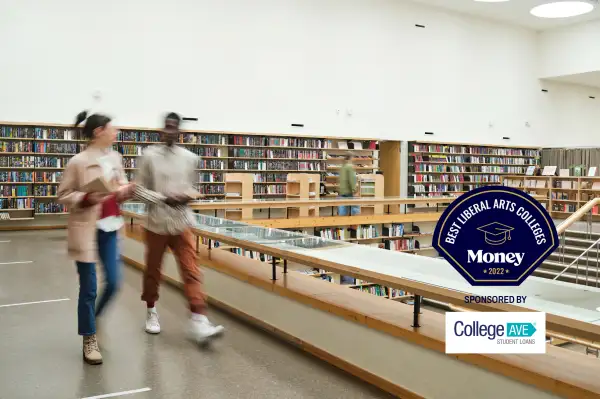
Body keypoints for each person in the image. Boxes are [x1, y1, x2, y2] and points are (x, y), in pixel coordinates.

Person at [133, 112, 224, 343]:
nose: (170, 131)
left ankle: (198, 317)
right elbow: (138, 190)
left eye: (175, 127)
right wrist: (163, 198)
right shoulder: (149, 156)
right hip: (156, 223)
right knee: (153, 270)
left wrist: (186, 196)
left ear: (180, 131)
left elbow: (196, 188)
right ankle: (151, 311)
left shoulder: (190, 158)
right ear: (162, 130)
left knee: (191, 269)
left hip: (182, 222)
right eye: (167, 127)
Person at [58, 111, 135, 365]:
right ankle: (89, 337)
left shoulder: (116, 157)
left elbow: (119, 186)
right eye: (112, 129)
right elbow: (63, 194)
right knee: (89, 288)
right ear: (98, 132)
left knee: (114, 282)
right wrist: (85, 198)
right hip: (86, 231)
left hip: (111, 228)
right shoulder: (78, 162)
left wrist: (127, 191)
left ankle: (96, 318)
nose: (116, 133)